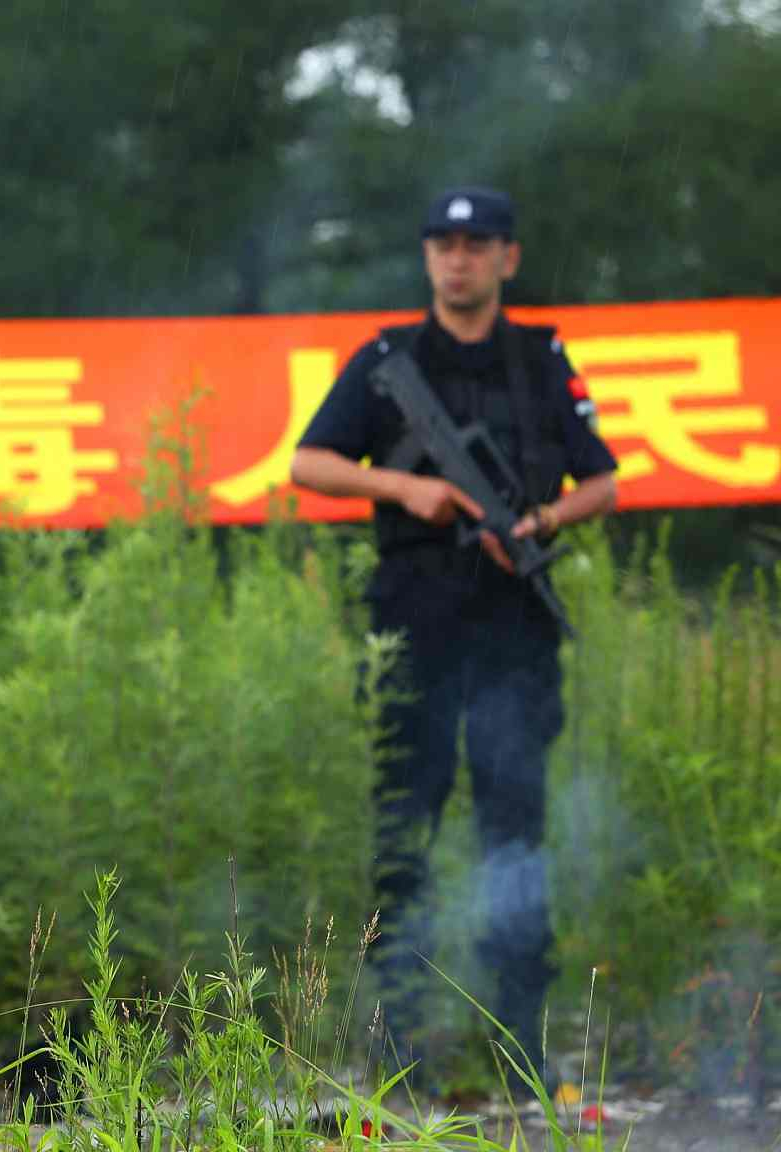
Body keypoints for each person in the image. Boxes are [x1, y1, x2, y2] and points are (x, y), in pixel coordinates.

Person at [289, 187, 618, 1087]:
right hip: (417, 628)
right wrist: (409, 492)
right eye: (444, 243)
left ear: (509, 258)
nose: (458, 259)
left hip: (513, 635)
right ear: (428, 256)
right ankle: (397, 1050)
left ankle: (519, 1050)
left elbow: (605, 482)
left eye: (477, 245)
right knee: (405, 836)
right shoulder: (390, 357)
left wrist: (539, 521)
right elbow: (307, 462)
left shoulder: (540, 359)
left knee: (515, 839)